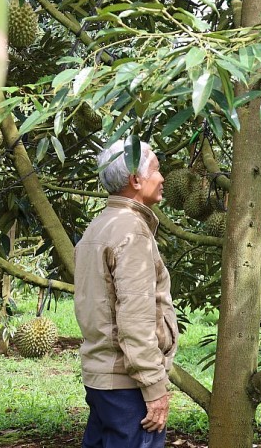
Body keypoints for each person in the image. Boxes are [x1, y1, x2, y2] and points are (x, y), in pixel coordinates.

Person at [74, 139, 178, 448]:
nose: (162, 179)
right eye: (156, 170)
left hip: (101, 377)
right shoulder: (131, 232)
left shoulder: (100, 226)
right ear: (135, 179)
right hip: (127, 384)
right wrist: (154, 386)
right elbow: (135, 320)